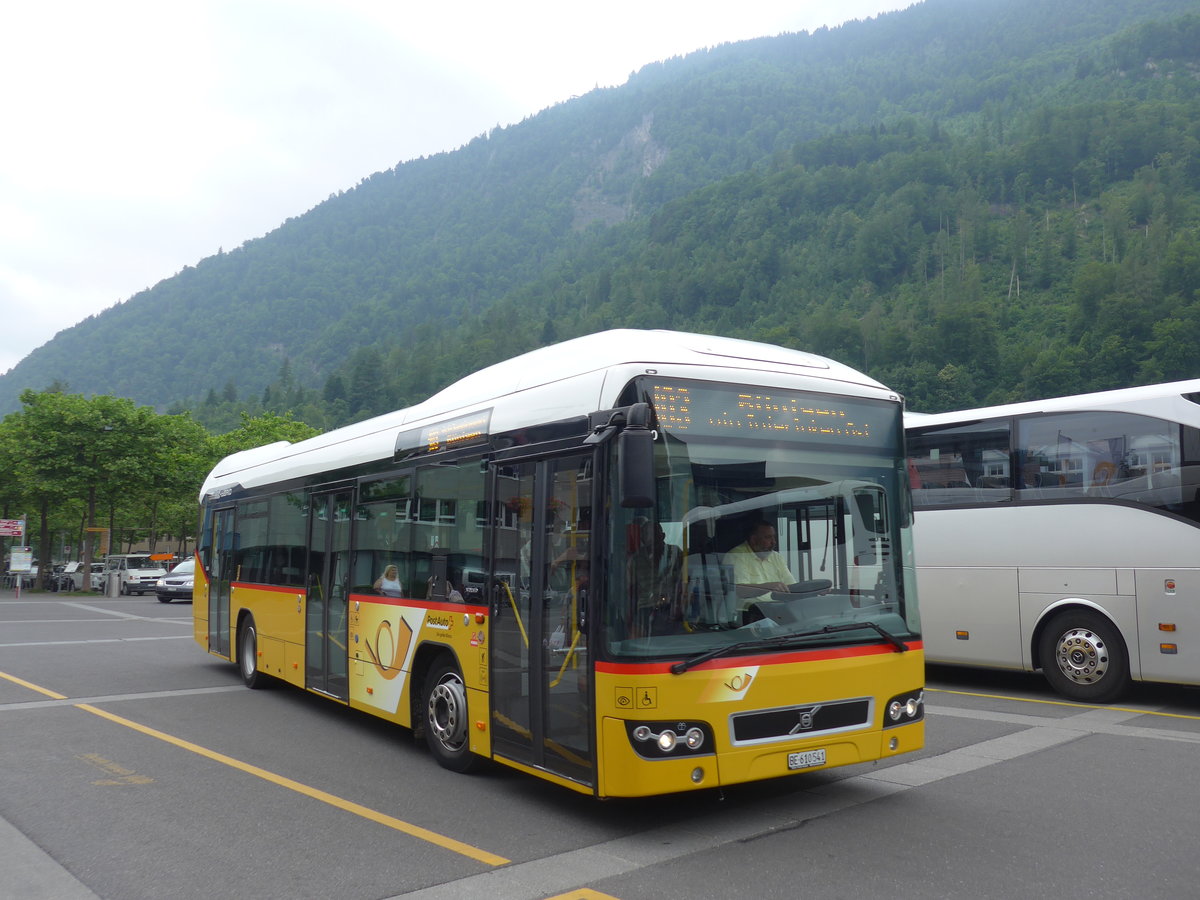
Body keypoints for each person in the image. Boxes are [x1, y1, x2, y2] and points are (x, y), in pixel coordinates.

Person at [722, 520, 796, 609]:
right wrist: (769, 587)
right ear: (754, 540)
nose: (773, 542)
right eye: (768, 537)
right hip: (750, 613)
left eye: (774, 537)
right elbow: (738, 591)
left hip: (778, 608)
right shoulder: (736, 556)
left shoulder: (776, 557)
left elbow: (792, 586)